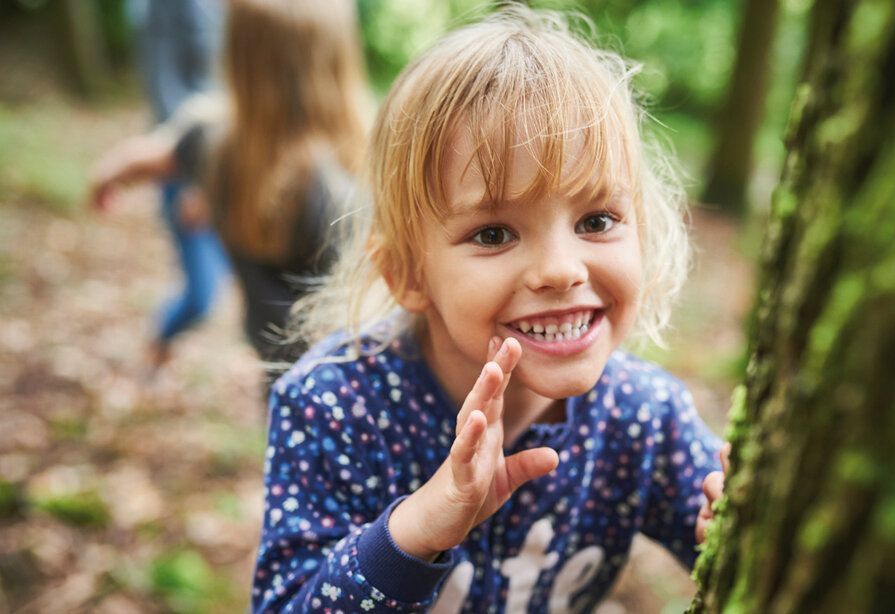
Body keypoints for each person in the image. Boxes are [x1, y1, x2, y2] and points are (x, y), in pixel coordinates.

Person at [252, 7, 725, 612]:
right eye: (494, 233)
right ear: (407, 272)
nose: (561, 269)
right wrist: (416, 531)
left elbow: (743, 555)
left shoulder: (643, 418)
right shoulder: (333, 407)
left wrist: (726, 527)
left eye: (597, 220)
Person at [89, 0, 372, 371]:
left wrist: (106, 179)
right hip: (318, 376)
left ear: (239, 57)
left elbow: (147, 157)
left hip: (306, 374)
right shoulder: (346, 186)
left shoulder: (215, 144)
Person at [132, 0, 230, 369]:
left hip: (230, 164)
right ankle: (158, 343)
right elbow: (166, 90)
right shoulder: (174, 7)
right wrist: (195, 178)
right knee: (202, 295)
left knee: (222, 281)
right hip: (192, 166)